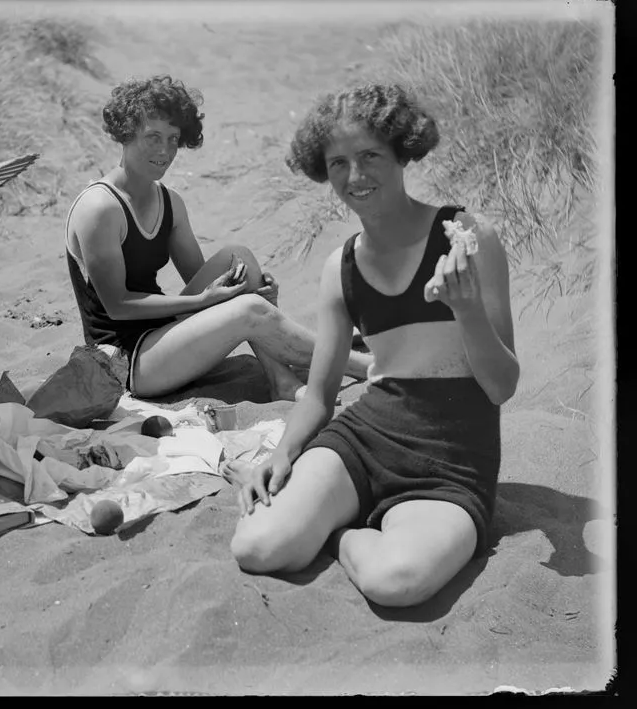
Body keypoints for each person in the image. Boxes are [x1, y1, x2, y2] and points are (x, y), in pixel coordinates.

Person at [228, 82, 520, 608]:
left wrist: (468, 310)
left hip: (450, 465)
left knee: (395, 582)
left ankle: (340, 535)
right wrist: (282, 453)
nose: (355, 177)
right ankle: (340, 516)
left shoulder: (466, 236)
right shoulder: (339, 268)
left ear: (402, 152)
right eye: (338, 163)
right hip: (363, 442)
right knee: (257, 545)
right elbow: (318, 397)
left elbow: (501, 386)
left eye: (369, 157)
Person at [64, 75, 373, 401]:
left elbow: (214, 285)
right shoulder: (99, 208)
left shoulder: (170, 203)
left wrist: (256, 290)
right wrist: (204, 301)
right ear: (125, 135)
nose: (165, 150)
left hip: (163, 334)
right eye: (152, 137)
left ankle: (281, 379)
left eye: (173, 139)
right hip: (126, 363)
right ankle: (363, 366)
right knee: (248, 309)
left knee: (237, 260)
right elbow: (119, 306)